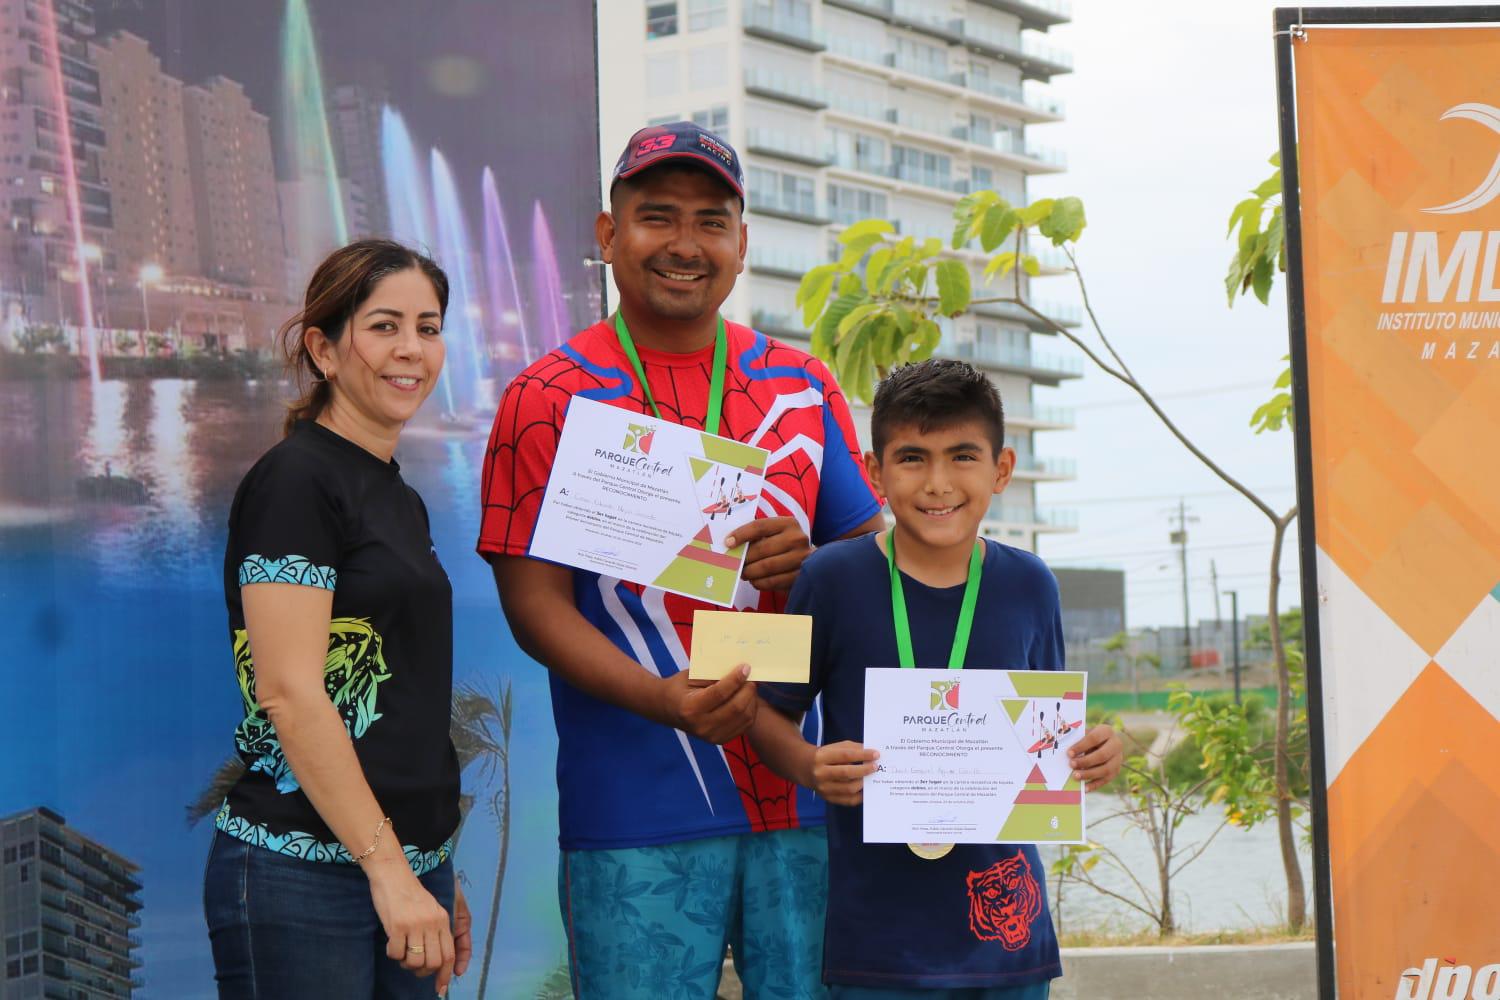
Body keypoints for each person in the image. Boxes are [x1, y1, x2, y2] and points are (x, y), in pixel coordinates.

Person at [477, 122, 886, 998]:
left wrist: (807, 563)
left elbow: (870, 571)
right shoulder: (548, 395)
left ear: (741, 245)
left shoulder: (802, 385)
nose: (685, 244)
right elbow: (534, 606)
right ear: (607, 235)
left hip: (810, 789)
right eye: (657, 216)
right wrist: (661, 697)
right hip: (635, 798)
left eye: (711, 220)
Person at [748, 359, 1125, 999]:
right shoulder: (828, 578)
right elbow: (763, 713)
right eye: (913, 458)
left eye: (962, 457)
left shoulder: (1032, 584)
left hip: (1008, 935)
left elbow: (1048, 734)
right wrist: (811, 766)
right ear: (874, 472)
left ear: (1001, 470)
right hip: (875, 938)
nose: (938, 482)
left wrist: (1095, 751)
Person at [205, 240, 472, 999]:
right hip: (298, 878)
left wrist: (429, 867)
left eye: (428, 326)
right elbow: (289, 693)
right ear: (322, 348)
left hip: (403, 868)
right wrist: (392, 874)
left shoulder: (397, 494)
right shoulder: (296, 479)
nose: (411, 351)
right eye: (385, 326)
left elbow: (406, 703)